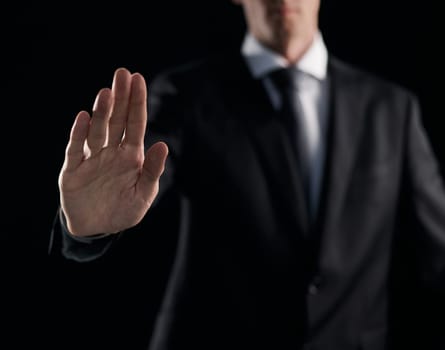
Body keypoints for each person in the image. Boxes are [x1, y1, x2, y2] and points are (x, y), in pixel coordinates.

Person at [49, 0, 445, 349]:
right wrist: (86, 224)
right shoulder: (186, 96)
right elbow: (142, 171)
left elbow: (437, 251)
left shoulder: (393, 109)